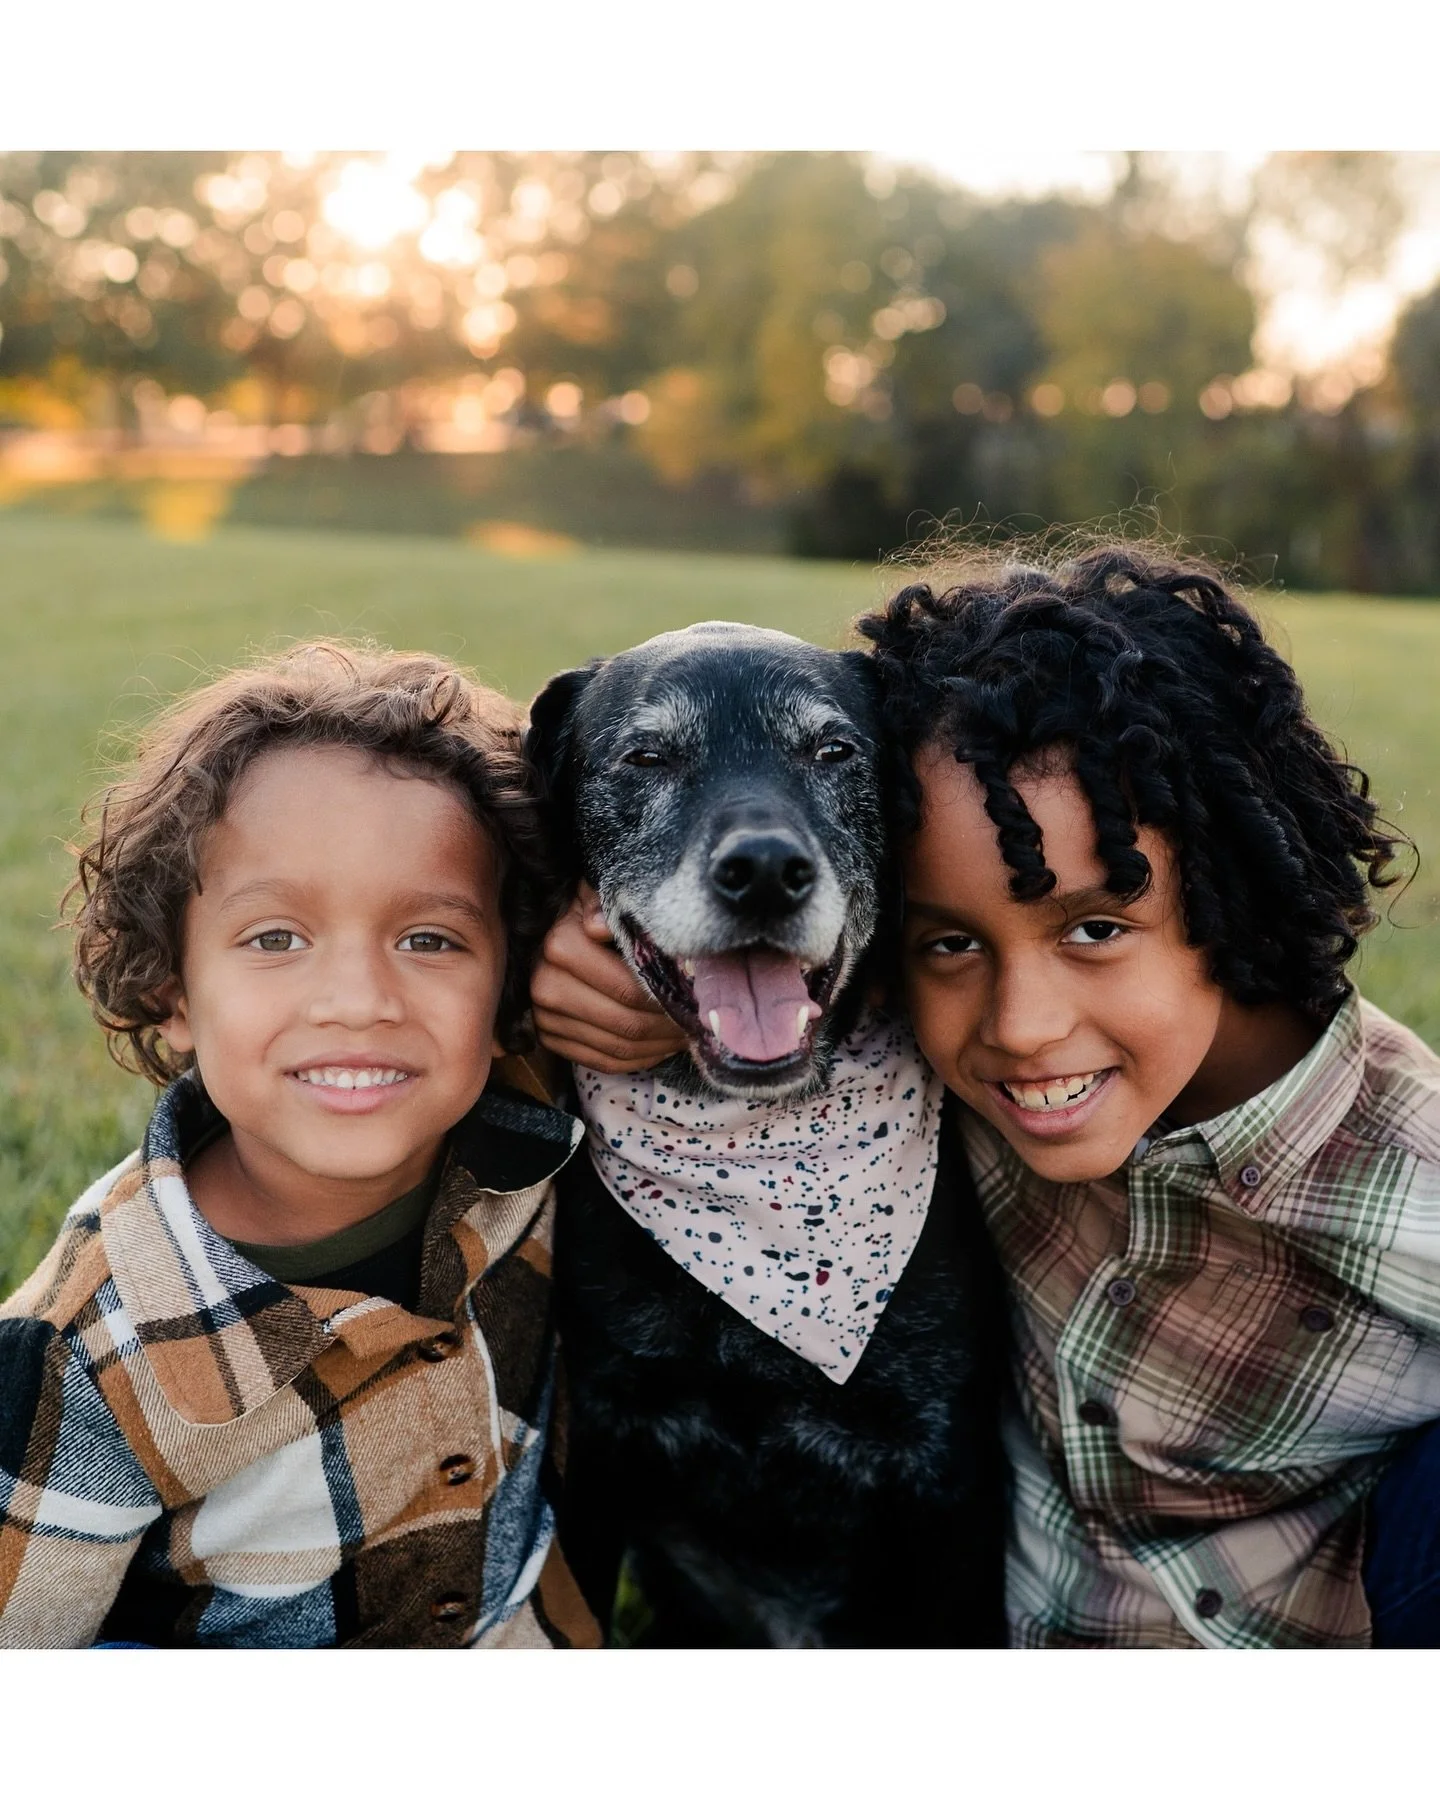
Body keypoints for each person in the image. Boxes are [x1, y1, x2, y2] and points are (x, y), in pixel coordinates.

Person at [532, 545, 1440, 1647]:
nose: (1023, 1025)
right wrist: (550, 962)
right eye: (950, 940)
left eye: (1096, 929)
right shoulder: (966, 1079)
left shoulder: (1402, 1184)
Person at [0, 643, 599, 1649]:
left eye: (430, 940)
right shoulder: (88, 1356)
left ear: (511, 988)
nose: (358, 1001)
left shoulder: (549, 1168)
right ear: (173, 992)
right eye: (275, 938)